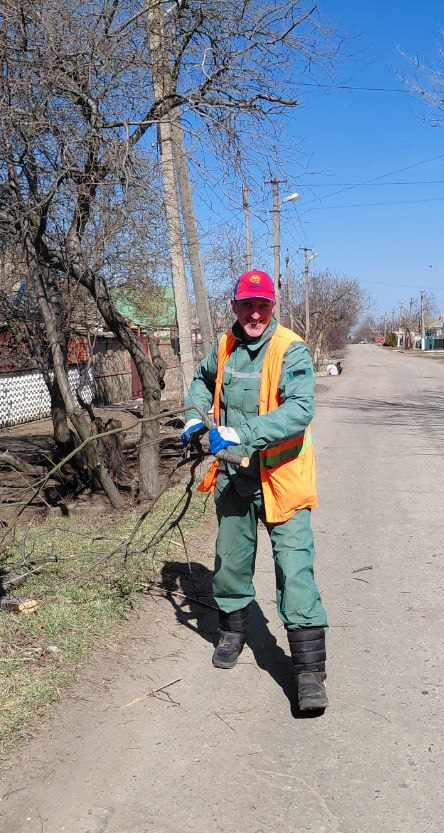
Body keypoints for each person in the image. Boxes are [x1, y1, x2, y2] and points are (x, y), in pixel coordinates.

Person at [180, 269, 329, 711]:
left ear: (272, 307)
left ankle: (308, 673)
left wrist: (240, 433)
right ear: (235, 306)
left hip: (282, 477)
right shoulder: (224, 346)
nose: (255, 313)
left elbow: (300, 410)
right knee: (229, 563)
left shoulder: (291, 350)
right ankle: (232, 633)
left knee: (295, 570)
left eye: (262, 304)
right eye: (247, 304)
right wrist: (192, 414)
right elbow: (202, 381)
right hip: (234, 478)